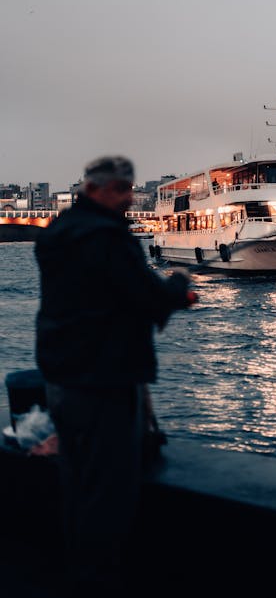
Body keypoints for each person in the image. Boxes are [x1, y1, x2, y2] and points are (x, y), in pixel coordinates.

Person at [34, 155, 197, 598]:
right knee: (108, 491)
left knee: (75, 479)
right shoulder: (107, 238)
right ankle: (97, 581)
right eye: (122, 190)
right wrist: (179, 286)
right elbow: (142, 294)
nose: (128, 199)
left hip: (62, 376)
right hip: (104, 377)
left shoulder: (58, 235)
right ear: (97, 189)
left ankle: (74, 572)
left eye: (130, 189)